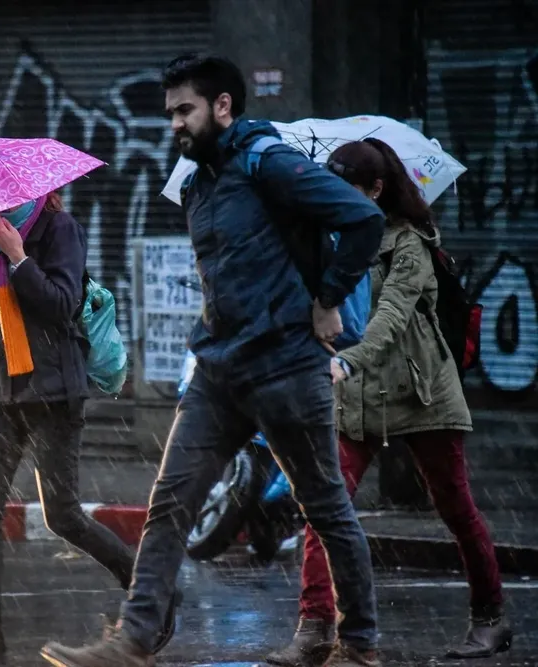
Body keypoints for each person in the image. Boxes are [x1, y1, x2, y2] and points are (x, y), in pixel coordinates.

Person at [40, 54, 386, 667]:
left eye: (185, 110)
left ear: (223, 106)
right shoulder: (197, 181)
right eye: (170, 112)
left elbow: (361, 217)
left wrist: (330, 299)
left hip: (286, 368)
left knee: (325, 506)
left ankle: (358, 643)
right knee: (170, 504)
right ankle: (134, 640)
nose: (174, 123)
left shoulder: (269, 163)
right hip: (219, 371)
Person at [266, 139, 513, 667]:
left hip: (421, 389)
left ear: (377, 190)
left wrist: (349, 360)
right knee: (324, 507)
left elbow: (392, 316)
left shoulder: (410, 244)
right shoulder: (327, 237)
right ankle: (314, 628)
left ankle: (490, 618)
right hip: (355, 395)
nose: (334, 199)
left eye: (347, 190)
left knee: (455, 506)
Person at [0, 194, 138, 664]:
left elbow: (62, 304)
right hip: (2, 388)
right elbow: (0, 314)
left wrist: (18, 256)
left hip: (54, 390)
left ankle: (146, 589)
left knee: (62, 515)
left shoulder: (59, 229)